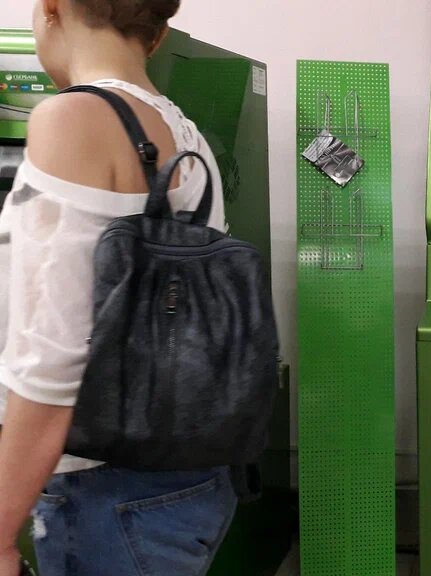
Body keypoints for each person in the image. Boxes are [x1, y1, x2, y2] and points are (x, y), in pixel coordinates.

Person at [0, 1, 237, 575]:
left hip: (105, 490)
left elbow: (53, 365)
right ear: (156, 35)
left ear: (51, 8)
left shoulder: (76, 118)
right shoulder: (181, 129)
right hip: (181, 477)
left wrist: (1, 533)